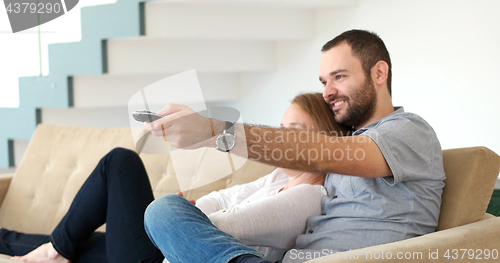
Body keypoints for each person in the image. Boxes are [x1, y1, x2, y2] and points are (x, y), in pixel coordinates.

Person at [143, 29, 446, 263]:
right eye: (324, 81)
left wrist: (213, 131)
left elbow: (320, 154)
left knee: (162, 212)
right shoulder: (348, 144)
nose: (327, 92)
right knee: (165, 211)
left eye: (339, 77)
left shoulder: (408, 131)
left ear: (379, 73)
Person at [0, 93, 348, 263]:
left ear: (328, 140)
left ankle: (55, 248)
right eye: (281, 130)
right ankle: (46, 248)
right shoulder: (277, 177)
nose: (281, 140)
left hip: (170, 255)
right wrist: (193, 208)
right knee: (71, 247)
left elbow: (223, 228)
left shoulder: (308, 198)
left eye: (295, 131)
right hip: (161, 247)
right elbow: (222, 201)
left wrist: (184, 215)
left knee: (119, 163)